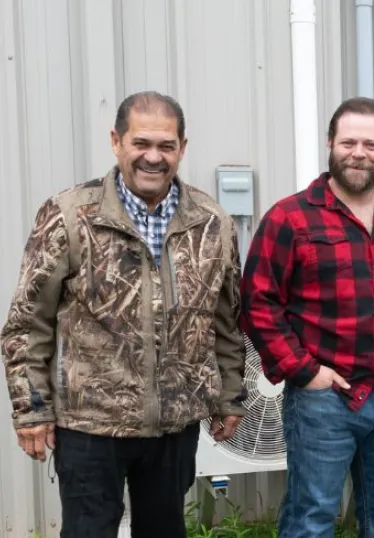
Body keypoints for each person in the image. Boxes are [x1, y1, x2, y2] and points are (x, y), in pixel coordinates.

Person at [1, 91, 247, 537]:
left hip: (175, 425)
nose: (153, 157)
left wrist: (230, 397)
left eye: (166, 146)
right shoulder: (70, 216)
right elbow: (26, 324)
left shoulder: (212, 223)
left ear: (182, 148)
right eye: (141, 143)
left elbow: (226, 322)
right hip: (90, 426)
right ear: (116, 142)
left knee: (165, 530)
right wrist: (31, 409)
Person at [240, 96, 374, 537]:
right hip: (325, 400)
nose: (359, 152)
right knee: (311, 519)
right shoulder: (290, 219)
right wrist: (303, 371)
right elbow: (257, 302)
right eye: (348, 141)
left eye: (371, 144)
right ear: (330, 144)